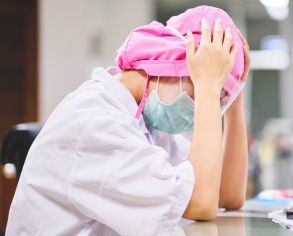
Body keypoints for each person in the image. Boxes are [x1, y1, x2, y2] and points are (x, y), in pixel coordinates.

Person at [6, 6, 250, 236]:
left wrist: (234, 99)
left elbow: (224, 195)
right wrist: (208, 87)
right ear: (172, 65)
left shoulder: (148, 124)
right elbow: (200, 203)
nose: (203, 107)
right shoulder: (97, 123)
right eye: (202, 85)